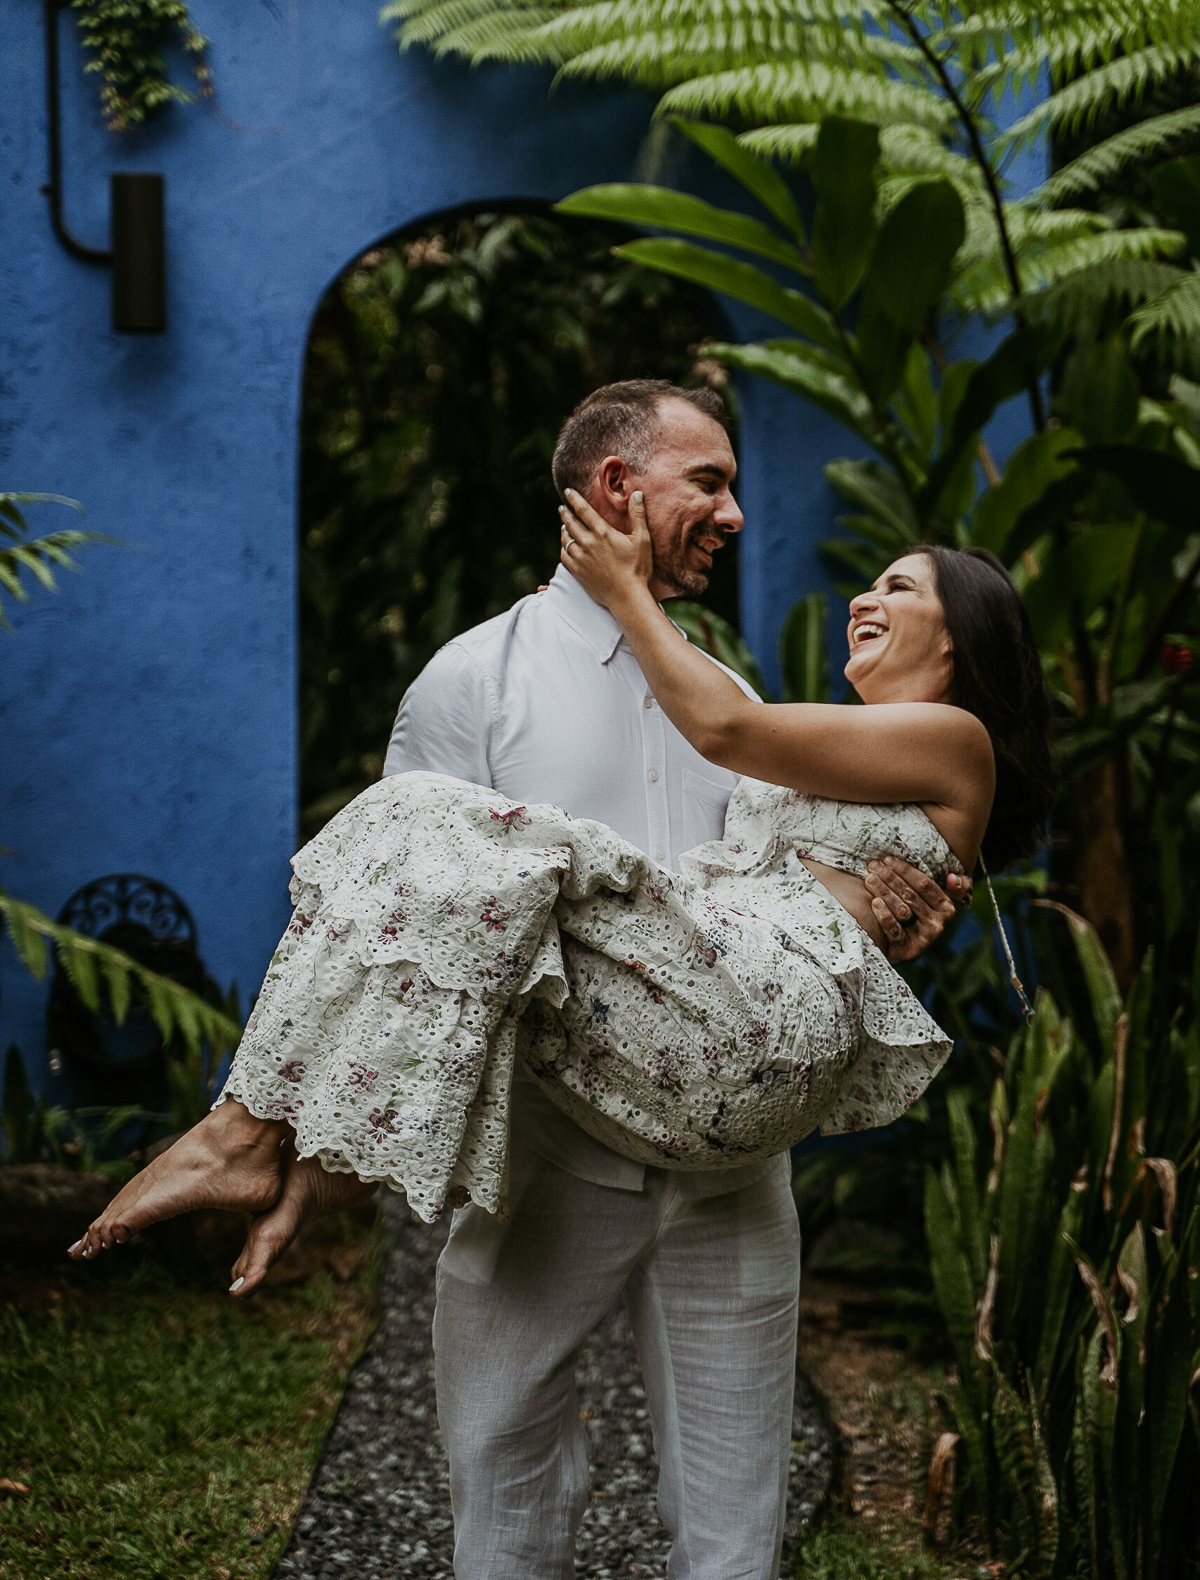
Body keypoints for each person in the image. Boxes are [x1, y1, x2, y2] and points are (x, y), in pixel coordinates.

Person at [69, 380, 1043, 1580]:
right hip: (559, 1142)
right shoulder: (469, 682)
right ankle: (265, 1135)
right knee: (503, 1465)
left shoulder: (727, 695)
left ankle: (245, 1124)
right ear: (617, 491)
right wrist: (337, 1167)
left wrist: (903, 898)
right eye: (711, 483)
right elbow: (419, 941)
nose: (735, 515)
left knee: (740, 1508)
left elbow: (799, 864)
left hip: (735, 1153)